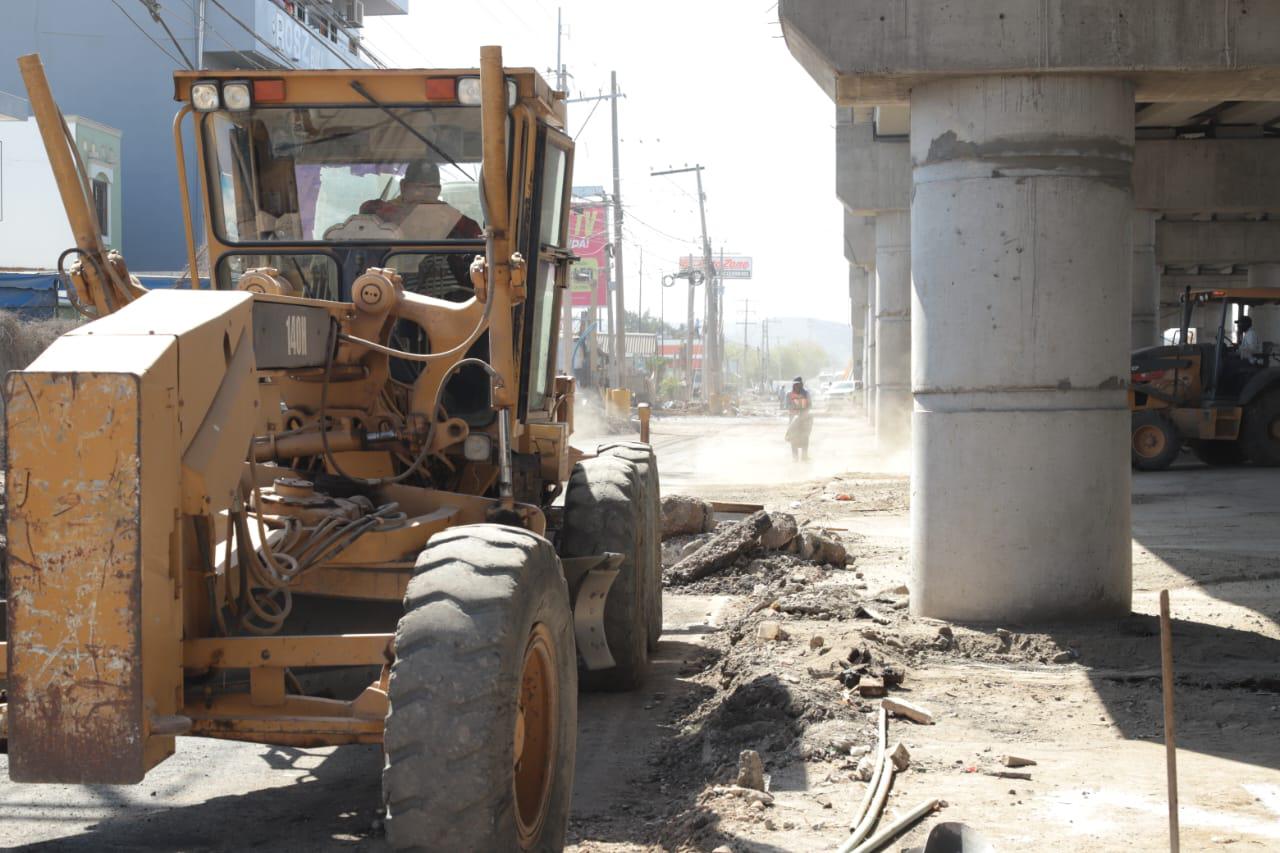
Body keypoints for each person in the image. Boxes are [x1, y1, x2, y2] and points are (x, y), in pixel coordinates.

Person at [359, 160, 481, 240]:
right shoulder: (380, 211)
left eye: (430, 188)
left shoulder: (452, 217)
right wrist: (404, 215)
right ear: (403, 187)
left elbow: (475, 234)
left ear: (438, 190)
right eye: (417, 187)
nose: (423, 193)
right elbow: (366, 210)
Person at [784, 376, 813, 461]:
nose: (797, 386)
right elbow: (787, 406)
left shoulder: (806, 393)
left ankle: (804, 456)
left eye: (798, 384)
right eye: (795, 385)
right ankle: (795, 457)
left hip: (804, 418)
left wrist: (804, 410)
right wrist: (795, 410)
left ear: (801, 384)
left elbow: (810, 405)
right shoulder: (789, 394)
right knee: (793, 437)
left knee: (805, 436)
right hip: (794, 418)